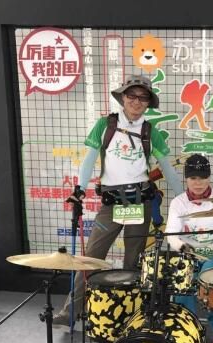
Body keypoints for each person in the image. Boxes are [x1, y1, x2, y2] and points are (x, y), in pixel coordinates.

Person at [53, 74, 182, 326]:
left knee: (132, 262)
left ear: (148, 103)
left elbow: (167, 168)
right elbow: (89, 159)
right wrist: (80, 189)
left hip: (140, 203)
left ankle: (128, 314)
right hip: (111, 204)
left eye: (143, 97)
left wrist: (182, 199)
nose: (136, 101)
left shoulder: (150, 132)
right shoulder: (106, 125)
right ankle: (71, 312)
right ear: (123, 97)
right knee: (91, 258)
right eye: (132, 95)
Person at [165, 154, 213, 343]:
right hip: (188, 256)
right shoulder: (178, 203)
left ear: (209, 177)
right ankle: (188, 329)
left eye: (202, 178)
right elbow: (171, 234)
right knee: (182, 277)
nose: (198, 183)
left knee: (210, 275)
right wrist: (182, 248)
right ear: (186, 179)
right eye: (193, 178)